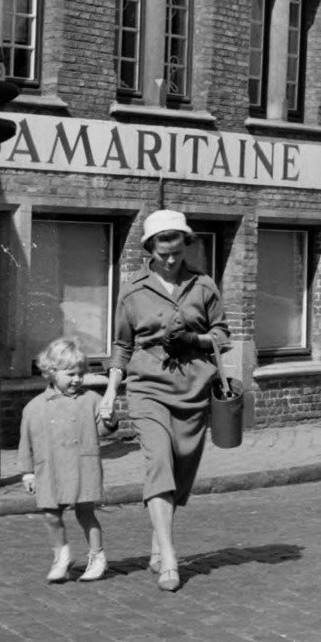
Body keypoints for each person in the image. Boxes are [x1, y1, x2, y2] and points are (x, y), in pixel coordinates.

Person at [101, 209, 230, 594]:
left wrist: (195, 341)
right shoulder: (133, 290)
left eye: (177, 251)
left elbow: (222, 335)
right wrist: (110, 393)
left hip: (193, 389)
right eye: (164, 252)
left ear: (184, 245)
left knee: (181, 466)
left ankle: (160, 539)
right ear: (150, 248)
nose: (171, 260)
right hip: (146, 387)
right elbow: (122, 346)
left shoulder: (203, 285)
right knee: (158, 461)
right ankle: (170, 558)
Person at [19, 337, 107, 583]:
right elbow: (26, 442)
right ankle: (62, 555)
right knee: (51, 514)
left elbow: (103, 429)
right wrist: (27, 472)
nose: (77, 379)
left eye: (81, 374)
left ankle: (97, 556)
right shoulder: (35, 407)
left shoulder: (91, 400)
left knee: (86, 513)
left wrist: (109, 419)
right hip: (50, 469)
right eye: (70, 374)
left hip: (82, 465)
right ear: (51, 372)